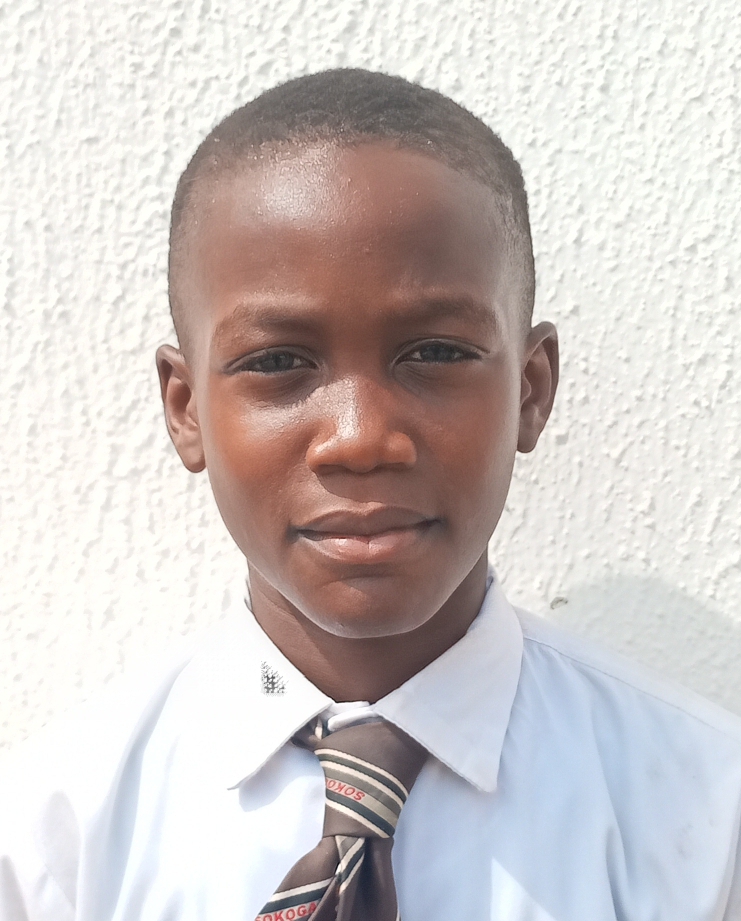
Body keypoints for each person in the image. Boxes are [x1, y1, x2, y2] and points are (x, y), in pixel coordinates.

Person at [1, 68, 740, 921]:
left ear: (531, 390)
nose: (359, 438)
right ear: (186, 408)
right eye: (278, 362)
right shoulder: (51, 839)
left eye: (435, 353)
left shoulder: (707, 818)